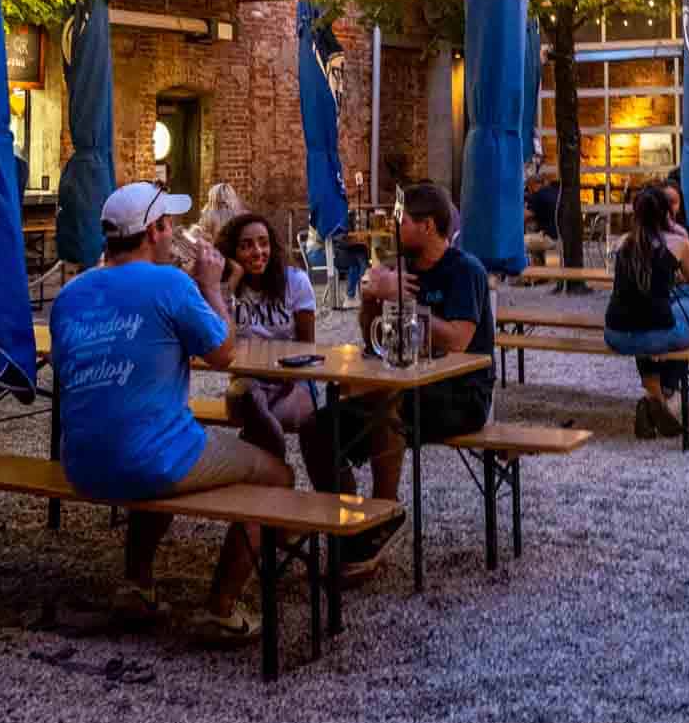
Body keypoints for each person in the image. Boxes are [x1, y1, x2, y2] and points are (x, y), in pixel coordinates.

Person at [49, 181, 292, 644]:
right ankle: (221, 611)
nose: (176, 232)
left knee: (158, 440)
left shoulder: (72, 293)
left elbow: (67, 366)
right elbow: (222, 353)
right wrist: (211, 287)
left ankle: (137, 587)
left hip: (79, 464)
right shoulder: (170, 283)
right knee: (275, 474)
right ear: (154, 232)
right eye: (170, 225)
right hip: (151, 459)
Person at [302, 183, 492, 583]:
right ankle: (353, 523)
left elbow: (459, 339)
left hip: (460, 395)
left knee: (388, 402)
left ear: (426, 226)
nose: (393, 224)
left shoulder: (465, 271)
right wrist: (372, 297)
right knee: (316, 430)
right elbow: (371, 334)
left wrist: (404, 302)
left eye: (400, 218)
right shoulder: (396, 265)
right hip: (400, 386)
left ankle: (382, 515)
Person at [604, 185, 689, 440]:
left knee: (645, 327)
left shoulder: (624, 242)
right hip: (655, 335)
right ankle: (669, 396)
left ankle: (654, 401)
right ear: (666, 213)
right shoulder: (678, 243)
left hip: (615, 333)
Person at [215, 212, 318, 436]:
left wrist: (285, 377)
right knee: (250, 400)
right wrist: (232, 281)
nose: (258, 252)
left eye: (263, 243)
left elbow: (308, 346)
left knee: (265, 420)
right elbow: (219, 341)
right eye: (246, 245)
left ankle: (263, 461)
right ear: (232, 252)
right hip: (247, 381)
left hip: (291, 381)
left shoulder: (295, 281)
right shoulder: (225, 288)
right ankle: (271, 464)